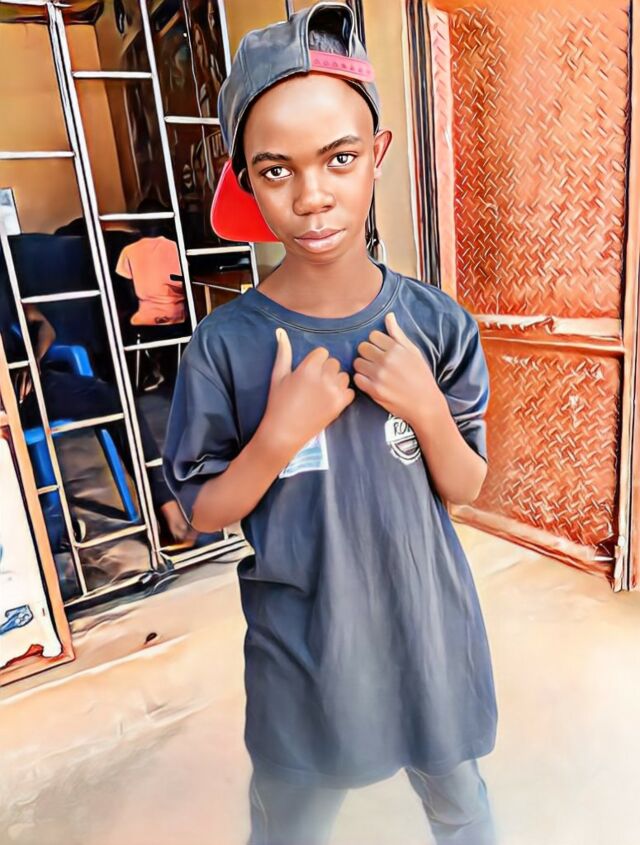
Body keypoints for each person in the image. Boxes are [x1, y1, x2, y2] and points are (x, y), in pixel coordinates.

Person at [162, 4, 499, 843]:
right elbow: (201, 508)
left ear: (376, 154)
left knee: (461, 808)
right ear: (246, 180)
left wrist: (425, 406)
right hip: (305, 648)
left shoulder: (437, 324)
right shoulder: (227, 345)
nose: (312, 197)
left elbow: (466, 482)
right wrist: (278, 435)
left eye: (339, 158)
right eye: (276, 170)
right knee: (291, 823)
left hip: (426, 628)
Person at [0, 296, 194, 546]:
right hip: (5, 406)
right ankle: (44, 530)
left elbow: (43, 324)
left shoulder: (5, 282)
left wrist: (33, 358)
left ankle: (167, 509)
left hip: (28, 384)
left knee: (117, 399)